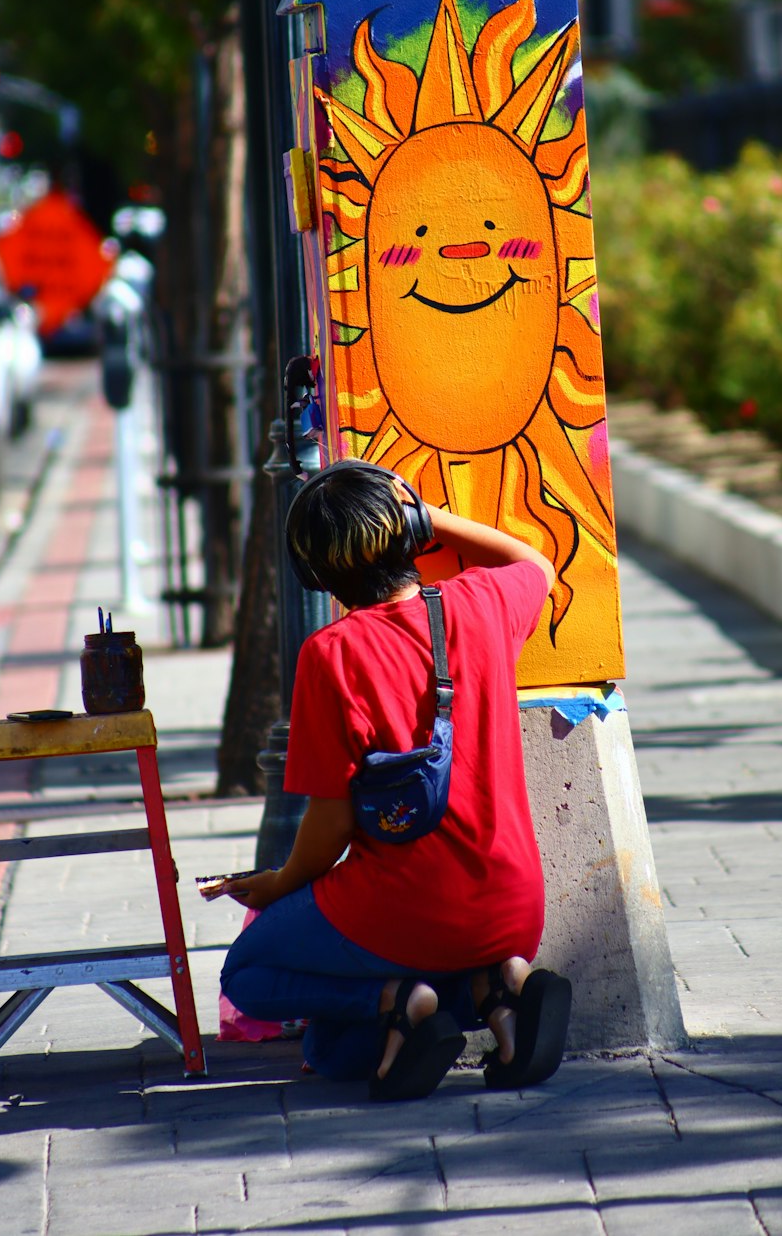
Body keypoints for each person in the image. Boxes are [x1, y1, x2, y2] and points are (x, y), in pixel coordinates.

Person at [216, 460, 572, 1101]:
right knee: (331, 1050)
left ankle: (405, 998)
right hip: (513, 908)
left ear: (316, 574)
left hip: (410, 909)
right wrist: (426, 515)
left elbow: (329, 826)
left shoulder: (331, 654)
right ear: (408, 532)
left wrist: (274, 884)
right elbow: (538, 563)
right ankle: (498, 995)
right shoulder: (482, 603)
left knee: (248, 971)